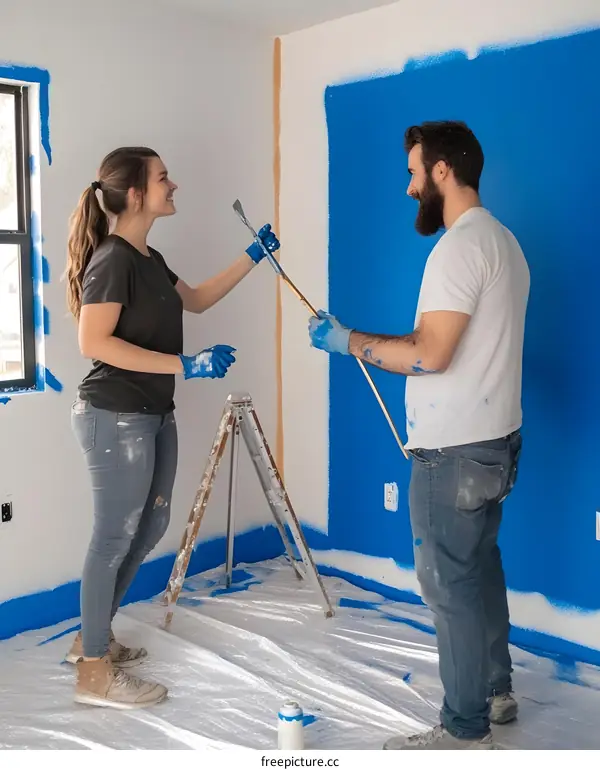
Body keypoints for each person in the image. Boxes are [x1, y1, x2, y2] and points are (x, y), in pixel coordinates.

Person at [308, 121, 529, 749]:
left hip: (454, 453)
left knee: (448, 584)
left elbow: (431, 354)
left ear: (440, 171)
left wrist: (347, 344)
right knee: (479, 567)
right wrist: (355, 336)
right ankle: (495, 688)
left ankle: (464, 731)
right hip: (494, 445)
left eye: (413, 172)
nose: (408, 188)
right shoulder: (503, 243)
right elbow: (439, 339)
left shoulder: (457, 249)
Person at [64, 146, 280, 710]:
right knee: (112, 538)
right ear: (135, 194)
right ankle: (93, 672)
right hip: (114, 415)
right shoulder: (112, 259)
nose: (173, 184)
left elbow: (199, 301)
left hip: (154, 413)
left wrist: (253, 254)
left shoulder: (148, 259)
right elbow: (93, 342)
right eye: (163, 178)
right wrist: (185, 365)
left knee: (151, 525)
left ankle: (94, 636)